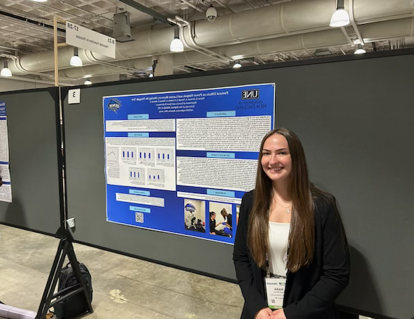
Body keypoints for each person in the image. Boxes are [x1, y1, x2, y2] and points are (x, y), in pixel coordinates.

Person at [233, 128, 350, 319]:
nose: (272, 161)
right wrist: (256, 306)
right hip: (261, 312)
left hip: (306, 313)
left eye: (281, 153)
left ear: (296, 157)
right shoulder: (251, 201)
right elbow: (241, 258)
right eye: (266, 153)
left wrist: (291, 314)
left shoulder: (322, 205)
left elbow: (337, 274)